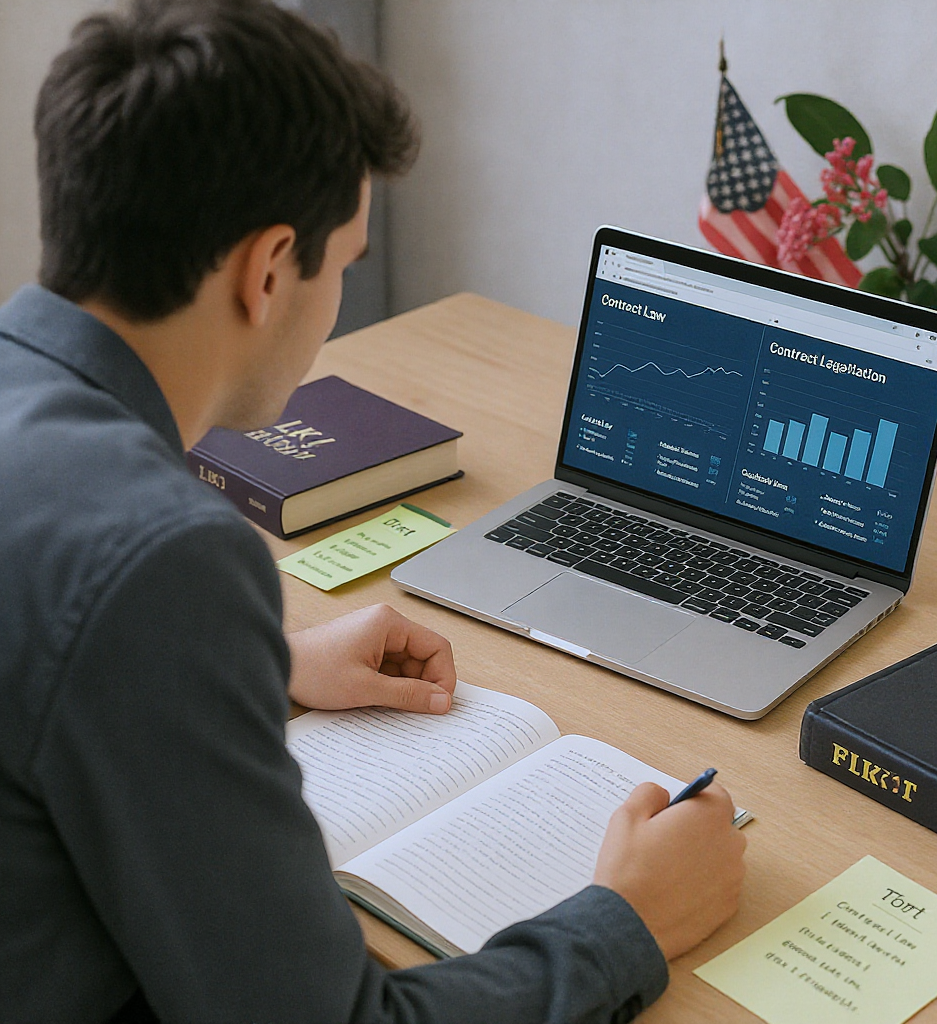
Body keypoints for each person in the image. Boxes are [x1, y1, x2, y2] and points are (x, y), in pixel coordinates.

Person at [0, 1, 747, 1022]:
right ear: (268, 272)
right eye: (345, 262)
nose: (339, 292)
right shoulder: (159, 559)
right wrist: (631, 917)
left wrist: (259, 661)